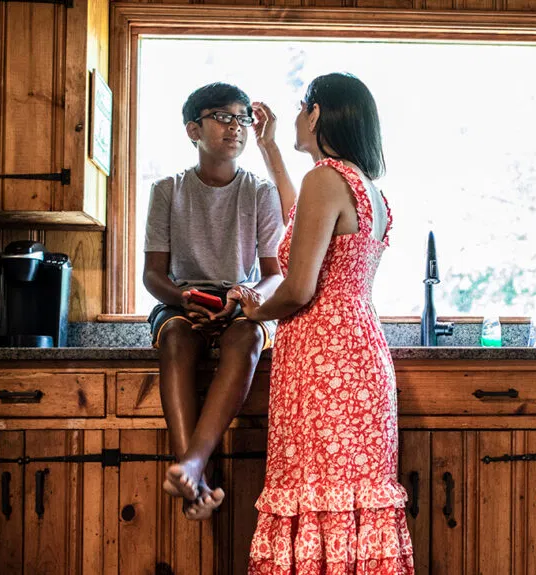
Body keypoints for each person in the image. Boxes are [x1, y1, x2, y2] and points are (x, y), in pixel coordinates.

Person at [232, 73, 414, 573]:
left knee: (315, 492)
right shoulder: (363, 187)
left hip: (323, 360)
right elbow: (302, 221)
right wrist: (270, 150)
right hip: (359, 354)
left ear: (317, 113)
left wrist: (253, 311)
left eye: (300, 106)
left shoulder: (325, 180)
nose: (294, 116)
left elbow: (297, 289)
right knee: (347, 497)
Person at [143, 82, 293, 520]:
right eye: (223, 117)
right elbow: (153, 275)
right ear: (193, 129)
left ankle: (191, 466)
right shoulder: (168, 190)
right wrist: (182, 298)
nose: (237, 127)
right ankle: (196, 478)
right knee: (175, 338)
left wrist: (244, 297)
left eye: (243, 118)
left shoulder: (260, 192)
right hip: (181, 300)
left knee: (246, 338)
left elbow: (273, 275)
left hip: (241, 303)